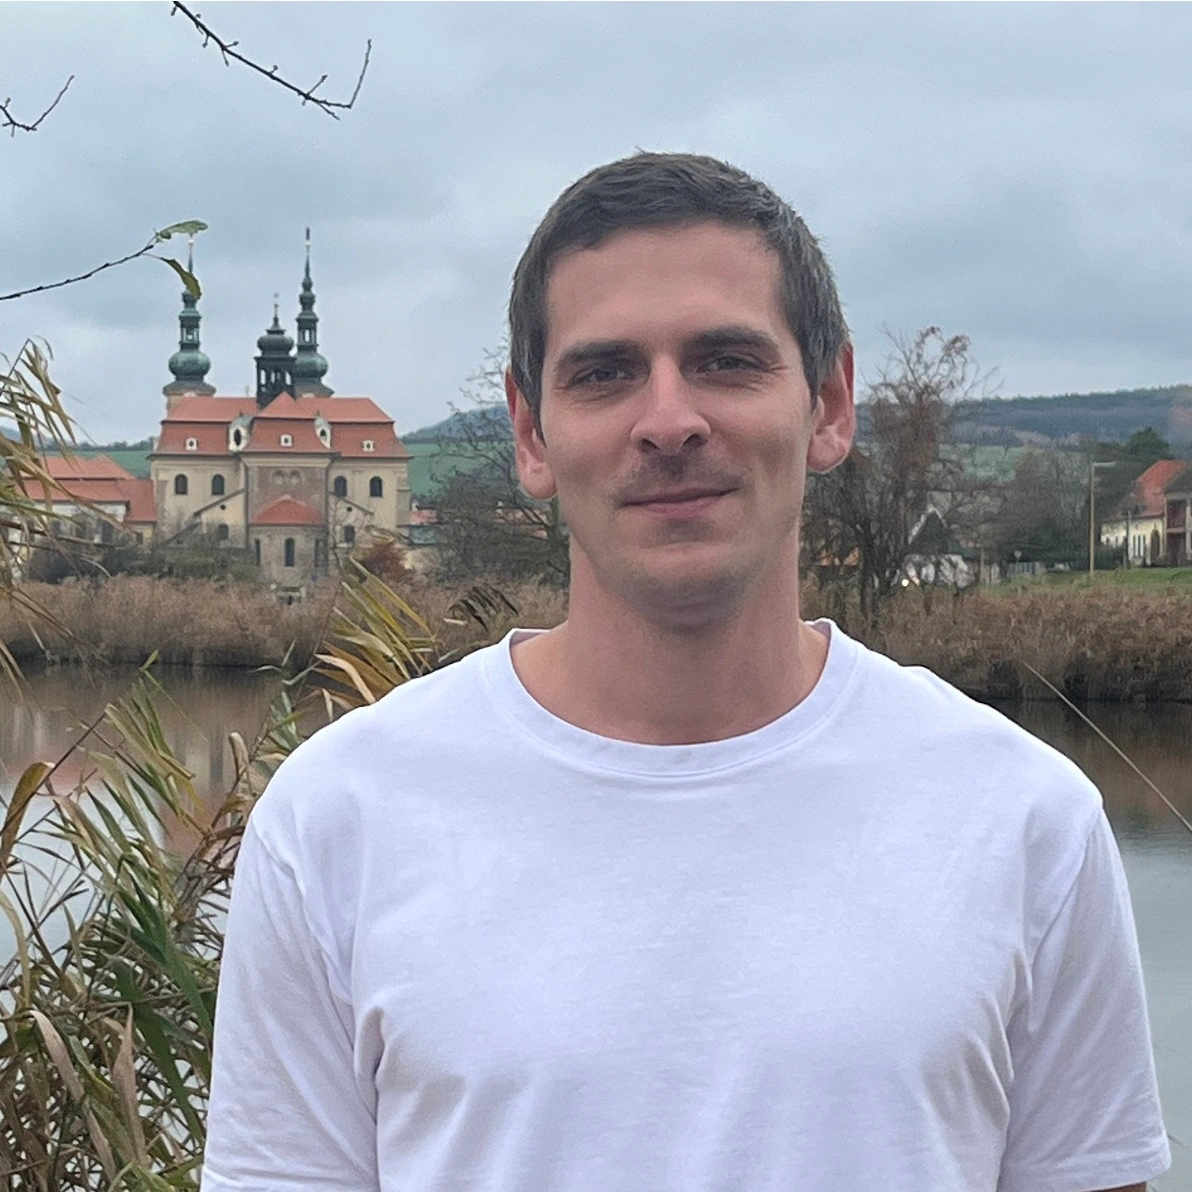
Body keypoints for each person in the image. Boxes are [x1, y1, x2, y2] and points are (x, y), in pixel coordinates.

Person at [202, 152, 1169, 1192]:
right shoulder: (336, 820)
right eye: (604, 373)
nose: (668, 422)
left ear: (830, 404)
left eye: (726, 360)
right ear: (531, 433)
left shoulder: (1025, 821)